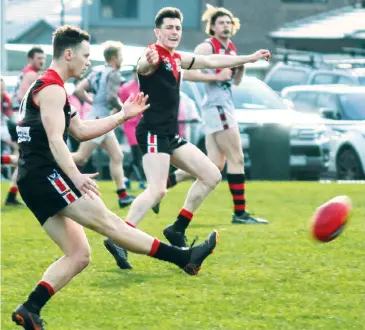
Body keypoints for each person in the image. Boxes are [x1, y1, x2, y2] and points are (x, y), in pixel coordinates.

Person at [11, 25, 218, 330]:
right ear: (68, 54)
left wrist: (122, 116)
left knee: (79, 255)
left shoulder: (53, 87)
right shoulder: (52, 89)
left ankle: (29, 309)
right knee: (111, 224)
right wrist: (75, 176)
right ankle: (183, 258)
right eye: (85, 55)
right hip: (46, 176)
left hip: (36, 178)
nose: (88, 61)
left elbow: (79, 131)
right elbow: (56, 140)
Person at [106, 7, 270, 268]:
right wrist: (146, 60)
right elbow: (143, 66)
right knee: (157, 189)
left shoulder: (176, 57)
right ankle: (118, 237)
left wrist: (247, 58)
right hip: (152, 133)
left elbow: (211, 62)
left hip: (169, 134)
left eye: (178, 28)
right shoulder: (154, 55)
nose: (174, 32)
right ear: (157, 31)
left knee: (212, 174)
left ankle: (177, 227)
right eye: (169, 28)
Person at [157, 5, 269, 224]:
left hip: (222, 106)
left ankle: (159, 188)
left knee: (213, 165)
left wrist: (242, 65)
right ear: (213, 27)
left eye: (228, 22)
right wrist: (214, 78)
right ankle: (240, 214)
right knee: (237, 158)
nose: (225, 26)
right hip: (217, 107)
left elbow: (235, 81)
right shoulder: (207, 47)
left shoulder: (231, 48)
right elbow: (185, 73)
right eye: (221, 23)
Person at [72, 41, 134, 209]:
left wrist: (92, 101)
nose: (121, 59)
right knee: (80, 157)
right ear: (114, 58)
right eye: (120, 56)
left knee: (117, 156)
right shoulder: (113, 73)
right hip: (102, 118)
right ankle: (45, 163)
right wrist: (125, 110)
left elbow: (78, 89)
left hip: (100, 117)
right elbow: (111, 98)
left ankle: (122, 195)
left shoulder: (97, 71)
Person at [118, 68, 146, 190]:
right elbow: (120, 103)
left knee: (138, 155)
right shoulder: (126, 87)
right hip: (130, 123)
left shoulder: (144, 86)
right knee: (137, 153)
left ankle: (127, 179)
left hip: (142, 123)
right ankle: (141, 181)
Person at [1, 77, 22, 205]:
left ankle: (12, 196)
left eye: (2, 86)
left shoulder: (6, 99)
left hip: (6, 127)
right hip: (4, 128)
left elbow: (9, 116)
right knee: (22, 159)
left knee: (21, 157)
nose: (2, 89)